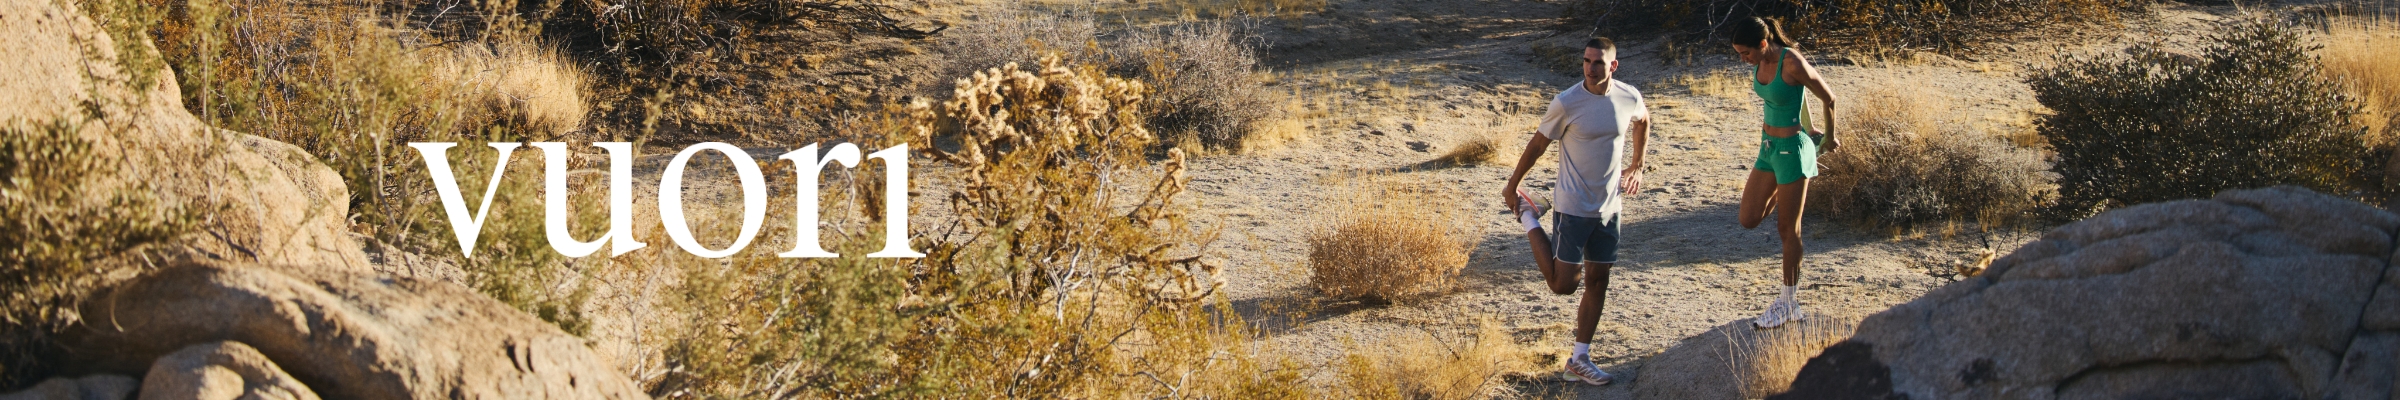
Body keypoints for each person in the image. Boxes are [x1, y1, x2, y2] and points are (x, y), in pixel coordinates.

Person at [1501, 37, 1650, 386]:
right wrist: (1512, 185)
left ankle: (1579, 358)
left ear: (1613, 66)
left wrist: (1638, 165)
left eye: (1598, 63)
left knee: (1599, 279)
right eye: (1586, 61)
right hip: (1572, 207)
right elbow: (1538, 145)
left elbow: (1643, 121)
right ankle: (1528, 215)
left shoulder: (1628, 96)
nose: (1590, 68)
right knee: (1562, 284)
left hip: (1609, 207)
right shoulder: (1567, 102)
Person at [1730, 16, 1841, 329]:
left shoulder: (1791, 63)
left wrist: (1828, 137)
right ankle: (1787, 186)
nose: (1743, 60)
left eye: (1746, 53)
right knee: (1749, 217)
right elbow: (1795, 96)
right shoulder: (1762, 60)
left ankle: (1789, 302)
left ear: (1763, 44)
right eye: (1739, 53)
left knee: (1787, 229)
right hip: (1768, 148)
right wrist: (1808, 123)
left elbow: (1827, 97)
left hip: (1792, 150)